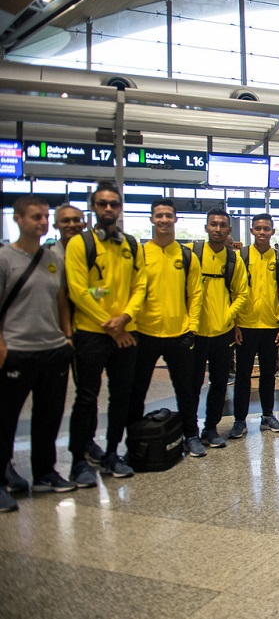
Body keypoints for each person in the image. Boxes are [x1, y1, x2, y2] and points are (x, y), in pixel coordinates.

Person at [64, 181, 146, 483]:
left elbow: (141, 286)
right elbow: (77, 290)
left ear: (120, 207)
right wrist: (110, 326)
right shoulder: (80, 244)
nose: (108, 208)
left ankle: (112, 452)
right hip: (92, 333)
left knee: (121, 396)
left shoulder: (131, 245)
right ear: (94, 208)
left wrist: (125, 317)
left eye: (113, 203)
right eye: (102, 203)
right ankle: (78, 461)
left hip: (126, 331)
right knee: (86, 397)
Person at [0, 196, 76, 511]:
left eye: (45, 217)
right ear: (18, 219)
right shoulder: (4, 258)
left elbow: (60, 302)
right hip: (17, 350)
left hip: (53, 350)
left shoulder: (52, 258)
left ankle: (45, 472)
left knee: (49, 416)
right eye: (35, 217)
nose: (42, 223)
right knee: (5, 419)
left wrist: (67, 338)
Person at [130, 198, 205, 456]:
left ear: (175, 220)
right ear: (152, 219)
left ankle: (191, 435)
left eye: (168, 216)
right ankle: (134, 442)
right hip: (144, 333)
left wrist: (192, 327)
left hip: (180, 334)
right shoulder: (139, 254)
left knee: (186, 390)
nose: (163, 220)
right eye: (159, 215)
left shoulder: (186, 256)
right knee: (136, 390)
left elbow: (196, 294)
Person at [190, 209, 248, 448]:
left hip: (222, 332)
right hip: (194, 331)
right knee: (191, 384)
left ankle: (211, 428)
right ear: (206, 228)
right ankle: (190, 431)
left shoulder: (233, 260)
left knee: (220, 382)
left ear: (228, 230)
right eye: (213, 225)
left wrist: (228, 317)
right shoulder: (192, 254)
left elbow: (241, 293)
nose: (217, 229)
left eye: (222, 225)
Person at [232, 213, 279, 438]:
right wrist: (235, 324)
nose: (262, 232)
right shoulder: (241, 257)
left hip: (271, 326)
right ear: (252, 231)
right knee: (242, 375)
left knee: (268, 373)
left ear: (273, 232)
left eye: (266, 229)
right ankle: (239, 419)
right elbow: (234, 292)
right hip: (245, 326)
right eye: (258, 228)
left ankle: (267, 415)